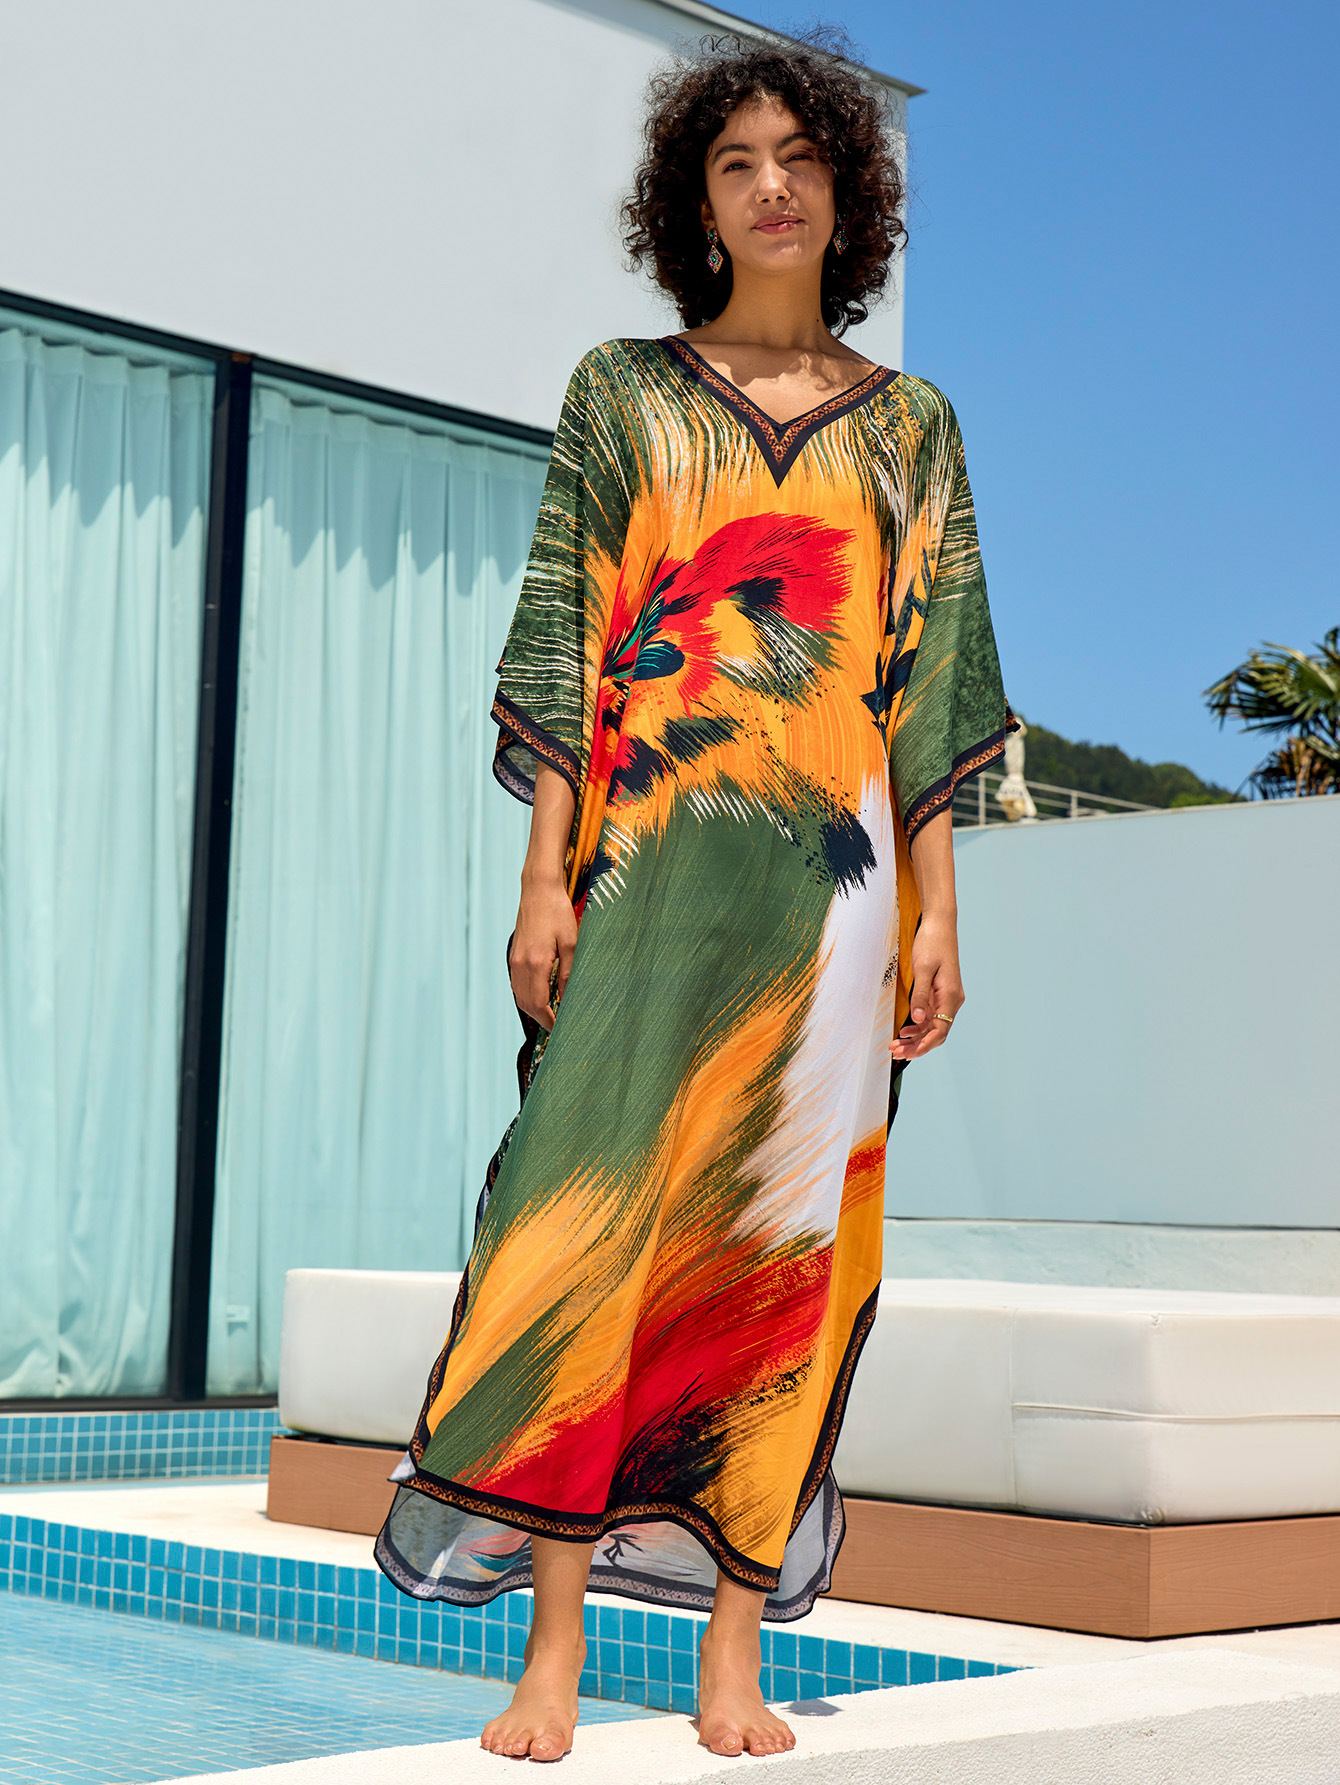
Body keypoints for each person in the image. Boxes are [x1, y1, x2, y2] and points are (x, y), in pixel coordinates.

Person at [374, 33, 1012, 1764]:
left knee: (781, 1257)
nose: (772, 185)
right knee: (585, 1229)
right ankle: (555, 1651)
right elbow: (569, 634)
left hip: (833, 907)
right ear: (695, 201)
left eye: (801, 157)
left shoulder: (912, 427)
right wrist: (541, 873)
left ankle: (733, 1650)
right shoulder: (623, 394)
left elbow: (930, 682)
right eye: (736, 161)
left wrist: (943, 911)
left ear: (849, 195)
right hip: (641, 878)